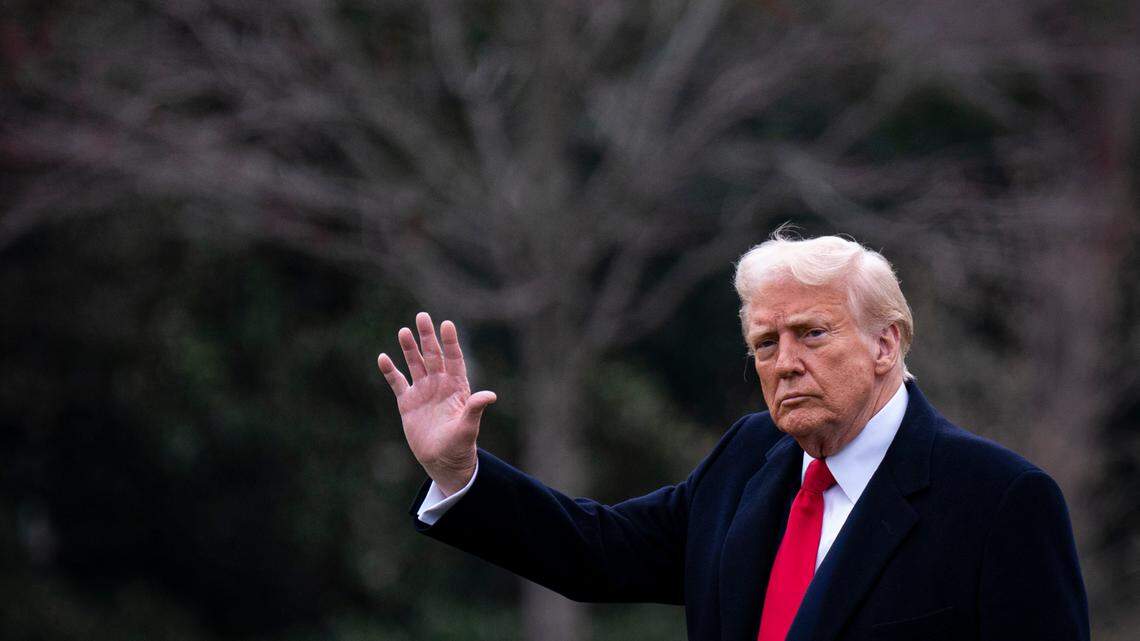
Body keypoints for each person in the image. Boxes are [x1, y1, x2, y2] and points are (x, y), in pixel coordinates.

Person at [376, 231, 1089, 641]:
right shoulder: (752, 458)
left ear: (885, 343)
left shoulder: (1000, 501)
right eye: (765, 342)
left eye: (812, 333)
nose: (785, 363)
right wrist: (460, 470)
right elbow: (598, 552)